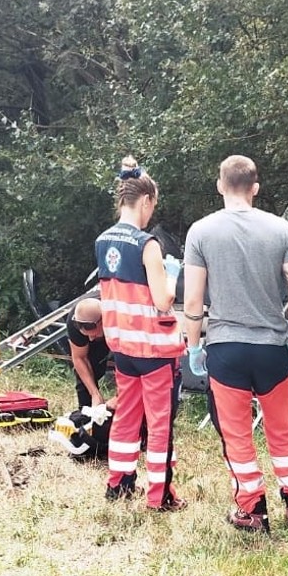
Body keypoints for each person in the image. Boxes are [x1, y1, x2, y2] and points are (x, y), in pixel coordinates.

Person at [182, 155, 288, 533]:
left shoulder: (201, 232)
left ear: (220, 185)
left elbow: (193, 301)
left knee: (237, 434)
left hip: (226, 349)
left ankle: (252, 510)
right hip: (272, 347)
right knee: (282, 430)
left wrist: (194, 346)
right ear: (255, 188)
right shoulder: (282, 230)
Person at [95, 167, 186, 510]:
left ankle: (118, 482)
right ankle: (159, 495)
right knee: (159, 423)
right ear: (146, 200)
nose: (152, 214)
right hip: (153, 348)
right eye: (153, 205)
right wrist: (173, 274)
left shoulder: (103, 241)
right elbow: (163, 300)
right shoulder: (147, 245)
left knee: (127, 415)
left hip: (122, 347)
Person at [66, 296, 112, 409]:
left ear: (103, 320)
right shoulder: (73, 323)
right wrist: (94, 393)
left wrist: (119, 397)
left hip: (122, 336)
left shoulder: (116, 315)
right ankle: (87, 411)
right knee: (89, 366)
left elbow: (130, 362)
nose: (91, 339)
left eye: (94, 334)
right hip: (101, 332)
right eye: (87, 335)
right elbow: (79, 358)